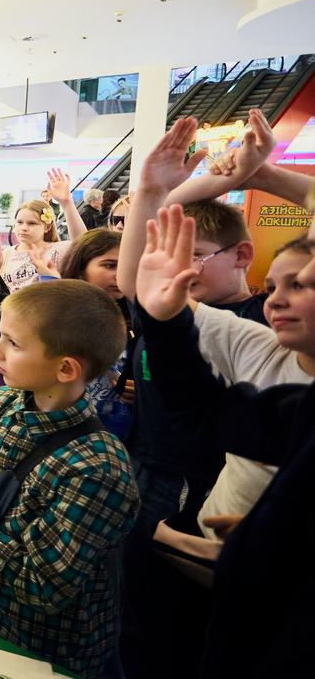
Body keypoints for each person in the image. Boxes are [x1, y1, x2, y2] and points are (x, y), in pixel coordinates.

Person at [113, 111, 285, 676]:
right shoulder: (170, 308)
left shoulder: (265, 323)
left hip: (213, 487)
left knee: (197, 629)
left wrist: (259, 176)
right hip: (147, 471)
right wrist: (152, 190)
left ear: (242, 255)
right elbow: (136, 281)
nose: (177, 270)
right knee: (139, 621)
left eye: (194, 255)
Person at [132, 204, 315, 677]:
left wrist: (275, 543)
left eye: (302, 284)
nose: (277, 299)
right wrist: (166, 320)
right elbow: (208, 411)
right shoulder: (297, 403)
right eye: (272, 287)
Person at [0, 280, 139, 678]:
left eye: (13, 343)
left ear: (66, 368)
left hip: (42, 650)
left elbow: (42, 586)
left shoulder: (97, 468)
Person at [56, 229, 134, 438]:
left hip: (121, 436)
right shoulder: (57, 316)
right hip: (66, 432)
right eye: (109, 265)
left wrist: (143, 390)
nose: (120, 274)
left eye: (126, 265)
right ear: (80, 270)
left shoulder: (139, 317)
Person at [2, 171, 85, 291]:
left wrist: (67, 203)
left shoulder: (58, 250)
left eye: (32, 223)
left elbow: (83, 244)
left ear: (47, 227)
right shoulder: (6, 254)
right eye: (19, 222)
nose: (24, 228)